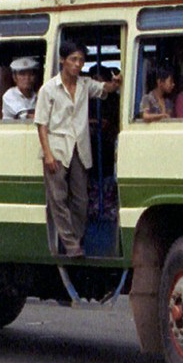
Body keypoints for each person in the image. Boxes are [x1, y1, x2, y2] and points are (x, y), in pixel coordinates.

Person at [35, 40, 122, 258]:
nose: (78, 64)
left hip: (79, 148)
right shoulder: (49, 89)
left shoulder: (85, 85)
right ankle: (72, 245)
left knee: (81, 199)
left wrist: (117, 82)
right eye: (73, 59)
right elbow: (41, 124)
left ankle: (75, 239)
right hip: (56, 148)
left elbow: (106, 89)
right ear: (63, 61)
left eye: (81, 60)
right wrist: (47, 154)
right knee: (58, 198)